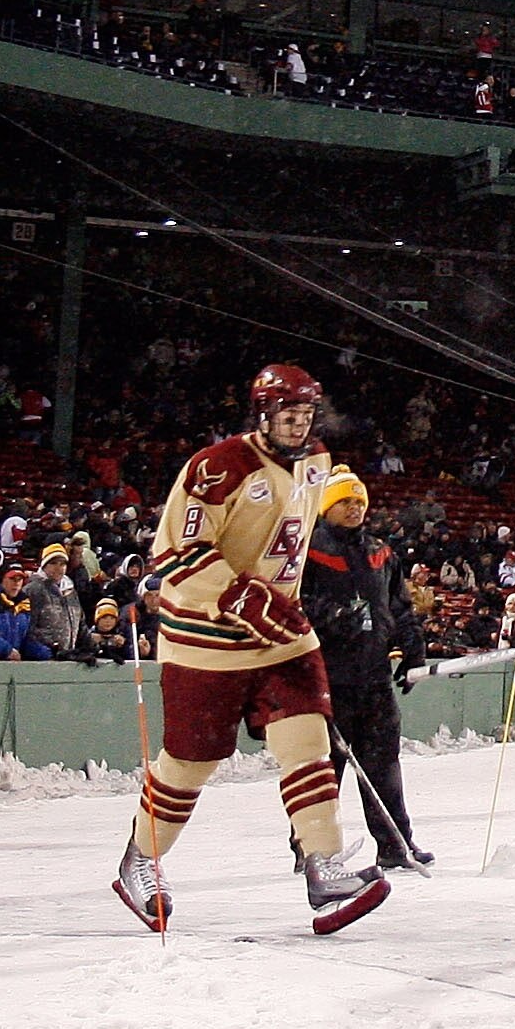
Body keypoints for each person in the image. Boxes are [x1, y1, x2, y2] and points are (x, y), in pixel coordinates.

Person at [110, 364, 384, 937]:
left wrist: (289, 598)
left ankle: (323, 865)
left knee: (307, 739)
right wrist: (240, 595)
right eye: (288, 415)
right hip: (206, 637)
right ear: (262, 414)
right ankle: (140, 858)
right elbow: (177, 553)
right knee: (191, 762)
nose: (298, 424)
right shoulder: (217, 467)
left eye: (306, 414)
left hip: (282, 633)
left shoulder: (318, 462)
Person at [300, 465, 425, 869]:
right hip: (327, 678)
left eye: (359, 502)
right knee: (324, 769)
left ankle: (395, 845)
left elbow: (399, 607)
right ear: (326, 507)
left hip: (373, 677)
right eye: (344, 502)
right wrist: (333, 615)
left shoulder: (380, 552)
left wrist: (412, 648)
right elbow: (295, 603)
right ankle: (312, 849)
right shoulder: (309, 550)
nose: (354, 508)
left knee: (383, 763)